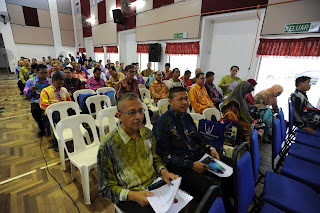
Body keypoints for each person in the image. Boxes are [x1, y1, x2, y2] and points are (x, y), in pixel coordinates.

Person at [97, 92, 178, 212]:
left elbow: (155, 159)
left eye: (141, 111)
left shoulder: (147, 133)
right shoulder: (108, 145)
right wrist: (133, 195)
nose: (139, 117)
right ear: (119, 116)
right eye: (131, 113)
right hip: (129, 194)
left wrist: (164, 172)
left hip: (153, 185)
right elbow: (105, 188)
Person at [153, 87, 233, 206]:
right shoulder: (162, 124)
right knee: (210, 190)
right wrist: (192, 165)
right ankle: (220, 205)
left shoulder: (187, 117)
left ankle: (226, 200)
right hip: (180, 167)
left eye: (186, 98)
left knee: (231, 166)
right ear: (170, 102)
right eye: (180, 99)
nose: (185, 102)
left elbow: (198, 138)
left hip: (198, 157)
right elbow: (165, 157)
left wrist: (210, 148)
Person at [40, 73, 72, 151]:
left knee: (74, 114)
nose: (60, 85)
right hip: (52, 111)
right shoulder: (45, 91)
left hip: (64, 109)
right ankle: (57, 140)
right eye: (58, 83)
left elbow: (69, 100)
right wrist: (57, 107)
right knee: (57, 117)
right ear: (53, 81)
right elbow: (43, 105)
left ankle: (73, 133)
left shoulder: (64, 90)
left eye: (61, 83)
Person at [24, 64, 51, 136]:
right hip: (36, 100)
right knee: (34, 110)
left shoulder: (49, 81)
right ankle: (41, 127)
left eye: (46, 72)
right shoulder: (30, 81)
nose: (44, 74)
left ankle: (52, 126)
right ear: (36, 72)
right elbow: (27, 94)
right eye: (42, 73)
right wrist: (30, 90)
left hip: (48, 100)